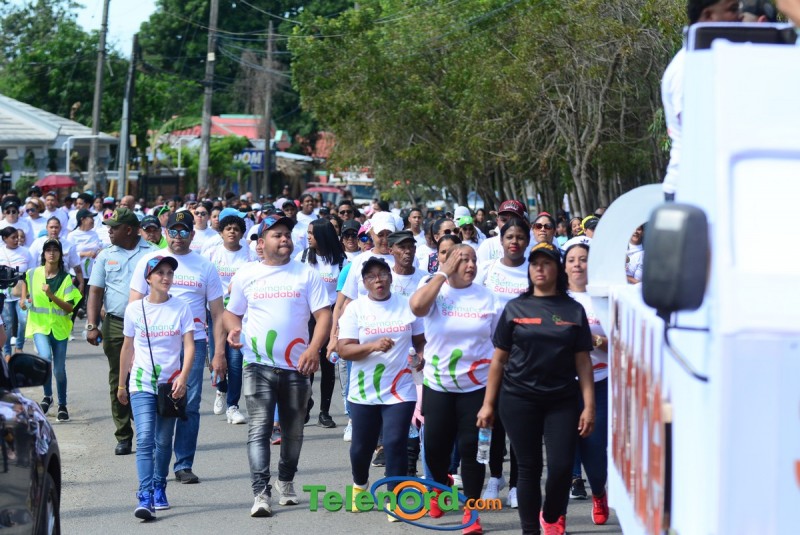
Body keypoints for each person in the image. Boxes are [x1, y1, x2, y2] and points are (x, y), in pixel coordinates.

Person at [477, 242, 595, 535]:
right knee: (529, 468)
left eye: (546, 263)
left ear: (558, 269)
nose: (539, 269)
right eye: (534, 264)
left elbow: (583, 362)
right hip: (518, 399)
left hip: (562, 400)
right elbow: (498, 360)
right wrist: (488, 404)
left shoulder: (573, 310)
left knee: (562, 467)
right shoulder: (515, 308)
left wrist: (589, 406)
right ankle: (530, 530)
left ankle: (551, 516)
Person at [220, 213, 332, 517]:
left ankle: (286, 480)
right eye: (277, 235)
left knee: (294, 432)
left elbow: (323, 315)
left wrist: (314, 349)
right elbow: (231, 313)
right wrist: (233, 329)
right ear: (261, 241)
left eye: (287, 234)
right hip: (257, 364)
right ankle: (261, 492)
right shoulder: (247, 274)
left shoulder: (306, 274)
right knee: (259, 430)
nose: (284, 239)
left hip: (298, 367)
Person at [409, 244, 502, 534]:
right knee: (436, 448)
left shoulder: (489, 298)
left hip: (477, 387)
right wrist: (442, 274)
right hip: (438, 385)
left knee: (474, 450)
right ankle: (440, 486)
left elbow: (500, 344)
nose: (470, 264)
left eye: (473, 259)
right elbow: (416, 307)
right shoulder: (434, 289)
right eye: (463, 260)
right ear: (449, 263)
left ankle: (471, 512)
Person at [129, 211, 226, 484]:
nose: (178, 236)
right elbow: (134, 305)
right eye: (173, 231)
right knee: (157, 400)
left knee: (189, 404)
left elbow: (218, 313)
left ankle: (183, 463)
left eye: (184, 231)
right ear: (166, 232)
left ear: (192, 235)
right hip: (156, 342)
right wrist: (134, 349)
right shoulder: (149, 261)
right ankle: (156, 460)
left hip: (193, 342)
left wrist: (218, 352)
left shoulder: (205, 266)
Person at [338, 257, 424, 519]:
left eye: (383, 274)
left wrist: (421, 357)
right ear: (364, 283)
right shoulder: (355, 309)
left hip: (400, 389)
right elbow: (344, 349)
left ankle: (394, 498)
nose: (379, 280)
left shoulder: (406, 305)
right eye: (372, 277)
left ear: (390, 277)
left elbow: (421, 341)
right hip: (364, 391)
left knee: (396, 442)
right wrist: (372, 346)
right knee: (362, 447)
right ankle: (360, 484)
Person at [117, 256, 195, 520]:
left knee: (163, 442)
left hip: (170, 385)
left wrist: (183, 377)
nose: (166, 277)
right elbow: (127, 347)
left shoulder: (181, 307)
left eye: (170, 273)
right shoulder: (134, 309)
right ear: (148, 278)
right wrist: (121, 384)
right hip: (141, 383)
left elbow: (189, 346)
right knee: (145, 439)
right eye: (160, 273)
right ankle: (145, 494)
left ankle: (160, 485)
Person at [87, 207, 157, 455]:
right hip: (116, 323)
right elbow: (95, 291)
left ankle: (149, 429)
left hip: (149, 324)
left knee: (149, 376)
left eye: (114, 228)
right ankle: (124, 435)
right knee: (119, 378)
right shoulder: (105, 256)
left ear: (128, 230)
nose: (109, 232)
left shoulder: (153, 253)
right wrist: (92, 325)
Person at [474, 217, 532, 505]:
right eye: (510, 237)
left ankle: (517, 484)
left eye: (520, 237)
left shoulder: (533, 271)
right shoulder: (488, 270)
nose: (514, 242)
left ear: (527, 241)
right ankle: (494, 477)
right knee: (492, 423)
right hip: (491, 356)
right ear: (501, 240)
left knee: (520, 423)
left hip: (525, 358)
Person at [661, 0, 741, 197]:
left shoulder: (715, 61)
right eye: (732, 9)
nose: (739, 16)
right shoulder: (687, 68)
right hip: (689, 190)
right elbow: (699, 135)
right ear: (708, 15)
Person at [564, 243, 610, 525]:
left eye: (583, 259)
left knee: (594, 449)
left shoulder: (603, 299)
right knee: (562, 450)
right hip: (562, 385)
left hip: (599, 382)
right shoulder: (558, 299)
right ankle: (556, 515)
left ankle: (599, 492)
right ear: (564, 266)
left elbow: (622, 343)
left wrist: (594, 340)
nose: (578, 265)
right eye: (572, 260)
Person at [202, 213, 257, 425]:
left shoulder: (250, 255)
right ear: (221, 233)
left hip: (238, 314)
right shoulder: (212, 253)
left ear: (242, 233)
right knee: (218, 356)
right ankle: (221, 390)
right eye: (228, 229)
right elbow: (204, 282)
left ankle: (232, 406)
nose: (232, 232)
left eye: (236, 229)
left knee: (235, 361)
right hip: (216, 313)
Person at [21, 238, 82, 421]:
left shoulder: (66, 278)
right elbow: (24, 284)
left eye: (55, 250)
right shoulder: (33, 273)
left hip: (59, 328)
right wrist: (24, 300)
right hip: (39, 326)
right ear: (44, 254)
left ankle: (62, 404)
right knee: (45, 359)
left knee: (59, 370)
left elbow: (69, 308)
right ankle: (48, 396)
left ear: (60, 254)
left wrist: (51, 295)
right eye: (48, 250)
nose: (52, 253)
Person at [295, 218, 347, 429]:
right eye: (308, 233)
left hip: (331, 318)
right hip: (307, 317)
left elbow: (343, 294)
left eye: (312, 233)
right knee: (307, 364)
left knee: (328, 365)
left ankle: (324, 412)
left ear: (323, 235)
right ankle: (306, 403)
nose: (308, 237)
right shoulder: (302, 258)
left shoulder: (341, 261)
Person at [0, 226, 32, 360]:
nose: (16, 240)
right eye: (13, 238)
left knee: (23, 321)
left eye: (17, 237)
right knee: (7, 325)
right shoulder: (1, 252)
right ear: (4, 239)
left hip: (21, 294)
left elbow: (31, 274)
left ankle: (19, 347)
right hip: (4, 295)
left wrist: (28, 295)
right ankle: (7, 352)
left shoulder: (26, 252)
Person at [477, 200, 530, 265]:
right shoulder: (487, 246)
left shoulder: (531, 248)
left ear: (523, 222)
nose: (508, 224)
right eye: (504, 220)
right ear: (497, 221)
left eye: (513, 220)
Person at [387, 231, 425, 298]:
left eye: (410, 247)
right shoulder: (385, 278)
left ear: (415, 249)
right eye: (402, 247)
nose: (408, 251)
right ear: (391, 251)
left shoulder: (425, 278)